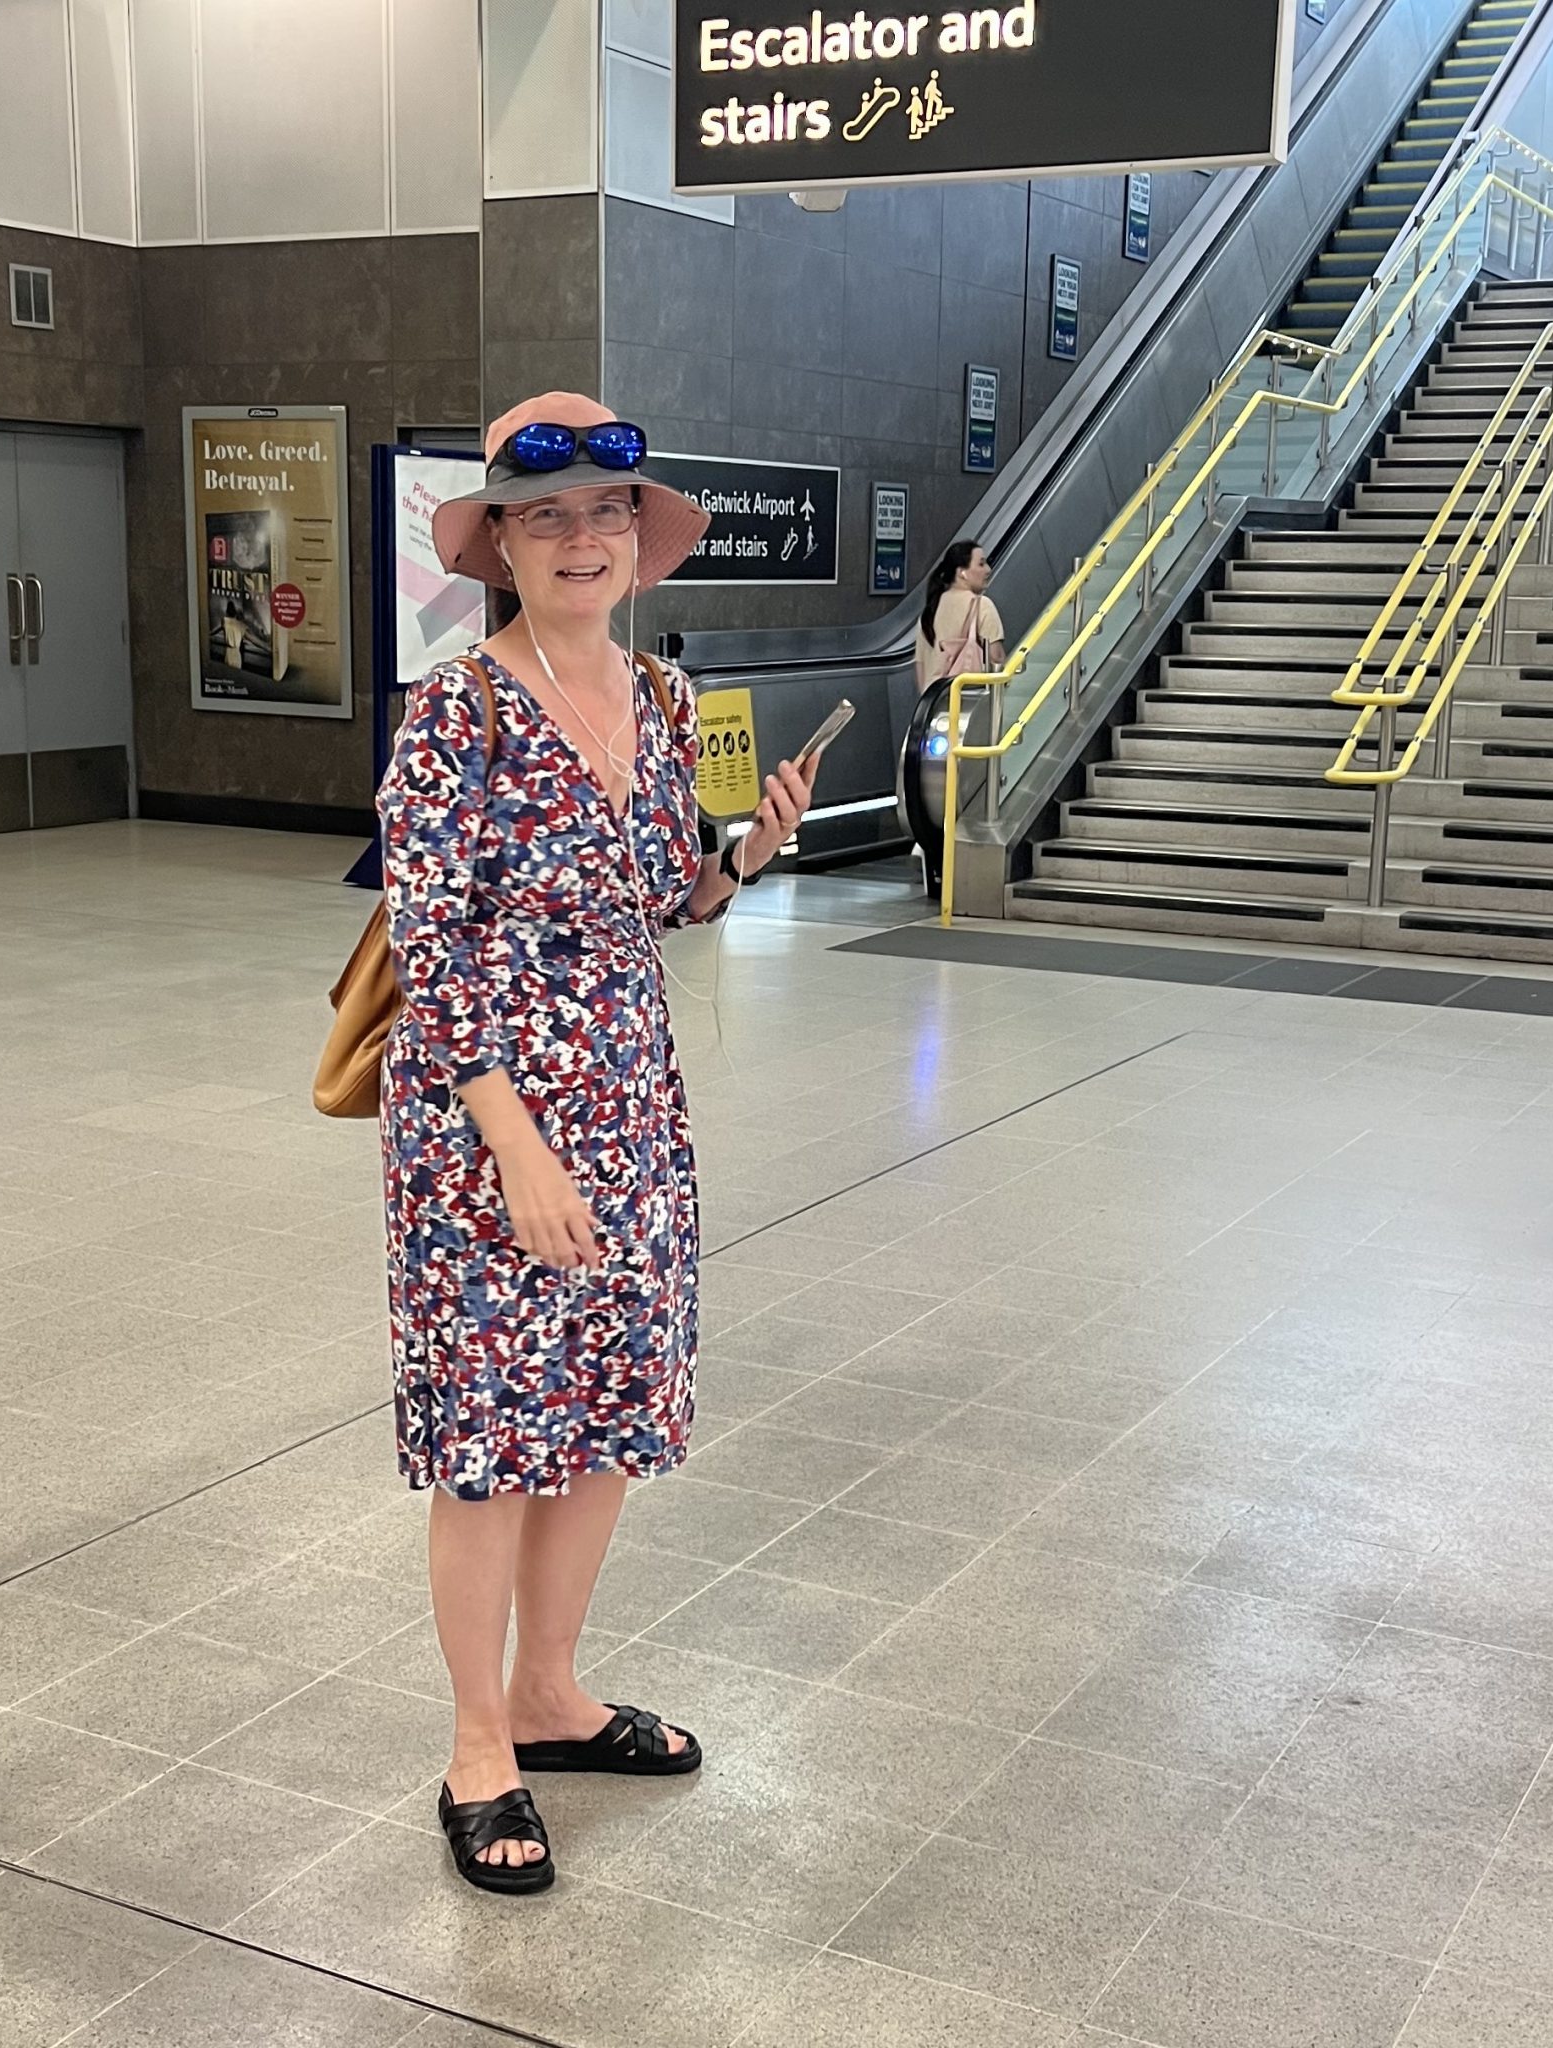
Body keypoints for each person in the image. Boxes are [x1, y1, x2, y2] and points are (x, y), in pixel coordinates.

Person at [380, 395, 817, 1895]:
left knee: (607, 1411)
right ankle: (477, 1743)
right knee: (495, 1441)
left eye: (607, 515)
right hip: (487, 1124)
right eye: (546, 516)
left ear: (641, 536)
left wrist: (743, 858)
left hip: (631, 1104)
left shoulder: (662, 695)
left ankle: (555, 1695)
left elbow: (660, 902)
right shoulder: (456, 712)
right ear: (499, 540)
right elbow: (429, 957)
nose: (582, 540)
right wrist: (512, 1141)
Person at [915, 539, 1006, 688]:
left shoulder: (929, 612)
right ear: (961, 573)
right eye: (981, 564)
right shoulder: (981, 605)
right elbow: (996, 658)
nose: (988, 570)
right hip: (969, 704)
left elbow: (921, 669)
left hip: (934, 704)